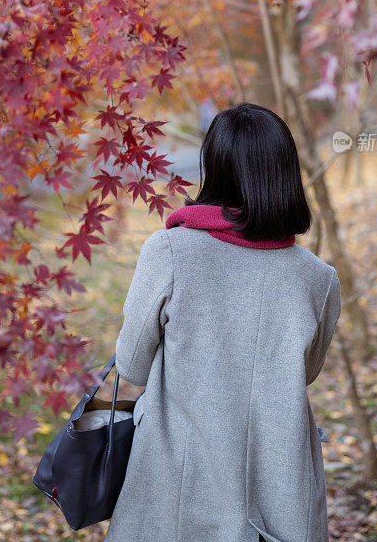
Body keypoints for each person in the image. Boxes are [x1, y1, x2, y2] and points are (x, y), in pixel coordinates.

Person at [105, 102, 341, 542]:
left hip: (182, 482)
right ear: (285, 173)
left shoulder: (170, 252)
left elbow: (132, 366)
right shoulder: (318, 279)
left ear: (213, 168)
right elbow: (303, 374)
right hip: (282, 480)